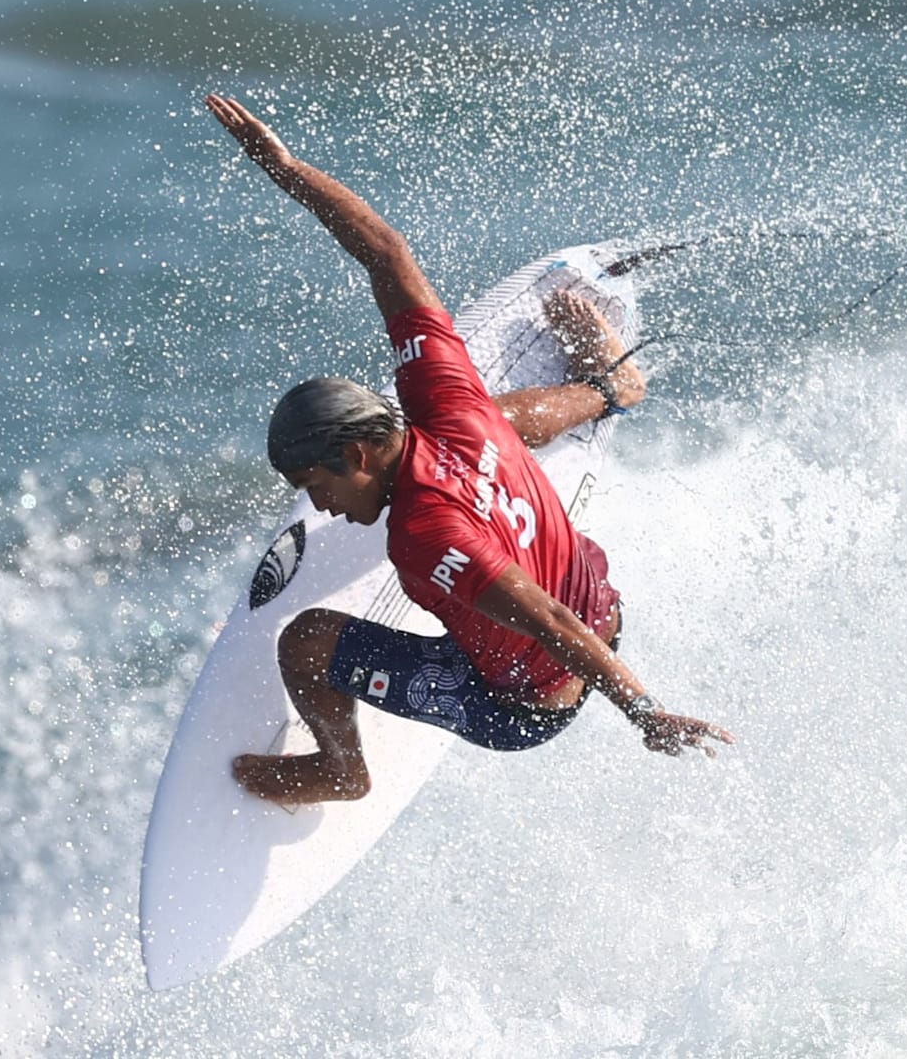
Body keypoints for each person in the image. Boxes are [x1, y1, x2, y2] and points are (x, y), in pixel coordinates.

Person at [204, 94, 734, 807]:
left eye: (315, 484)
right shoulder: (440, 397)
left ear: (357, 456)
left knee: (305, 641)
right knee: (489, 419)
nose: (315, 502)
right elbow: (385, 253)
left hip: (523, 701)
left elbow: (547, 620)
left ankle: (339, 770)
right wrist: (286, 166)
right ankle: (610, 389)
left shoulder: (425, 534)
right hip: (607, 611)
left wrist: (643, 713)